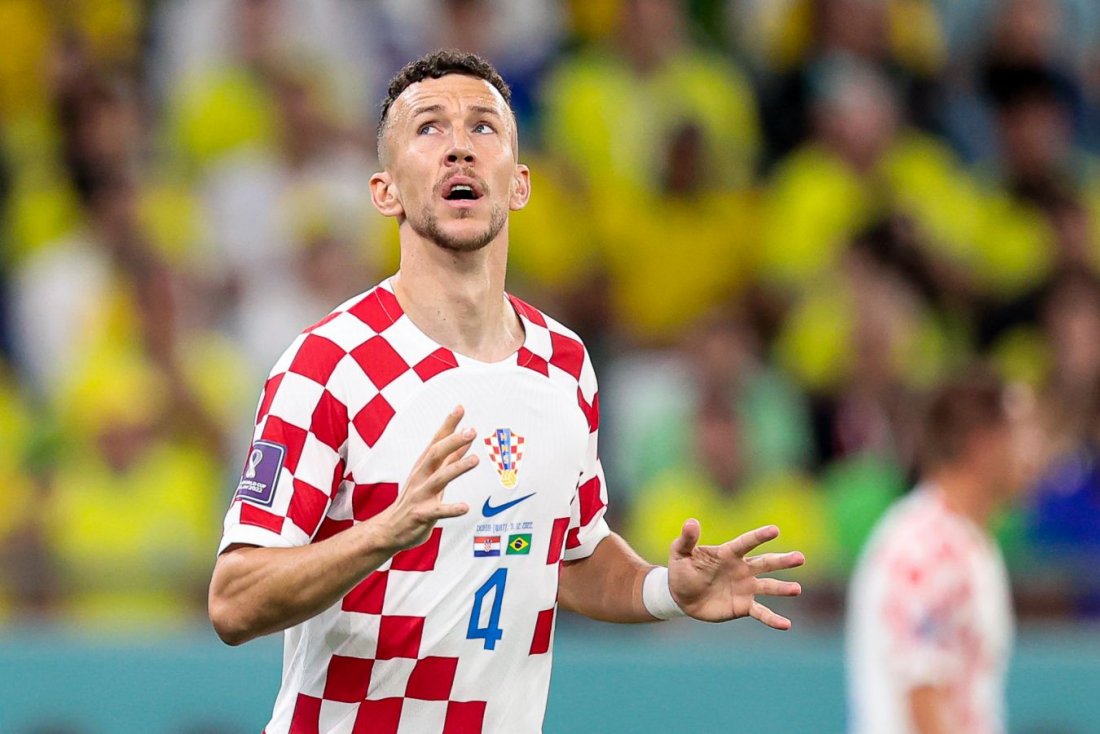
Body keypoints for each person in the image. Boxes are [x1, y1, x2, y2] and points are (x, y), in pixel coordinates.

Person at [207, 50, 805, 733]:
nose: (459, 146)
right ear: (385, 191)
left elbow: (572, 556)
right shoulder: (329, 364)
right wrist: (382, 534)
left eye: (483, 127)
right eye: (429, 128)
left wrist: (666, 589)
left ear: (519, 184)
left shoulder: (563, 364)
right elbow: (233, 601)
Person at [846, 371, 1029, 734]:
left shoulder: (964, 541)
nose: (1031, 452)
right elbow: (925, 703)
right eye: (1020, 435)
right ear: (984, 445)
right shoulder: (928, 549)